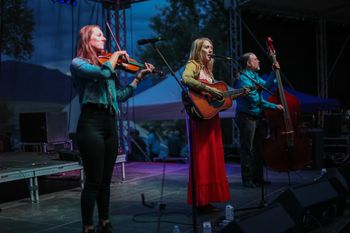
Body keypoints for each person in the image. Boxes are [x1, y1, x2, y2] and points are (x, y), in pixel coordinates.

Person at [70, 25, 155, 233]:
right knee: (93, 181)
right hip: (91, 123)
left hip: (110, 122)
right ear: (87, 40)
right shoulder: (78, 64)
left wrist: (137, 78)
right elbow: (104, 72)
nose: (105, 38)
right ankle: (88, 226)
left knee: (106, 181)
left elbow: (119, 96)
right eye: (99, 35)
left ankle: (105, 222)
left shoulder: (107, 64)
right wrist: (116, 56)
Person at [182, 37, 230, 214]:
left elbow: (213, 100)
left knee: (212, 157)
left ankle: (207, 199)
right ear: (198, 50)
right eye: (206, 47)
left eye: (212, 47)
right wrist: (210, 89)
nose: (210, 50)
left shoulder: (208, 71)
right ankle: (200, 201)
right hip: (201, 121)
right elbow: (185, 78)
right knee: (202, 158)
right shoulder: (193, 64)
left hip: (211, 119)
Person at [234, 52, 283, 188]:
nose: (259, 61)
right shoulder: (243, 79)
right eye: (255, 59)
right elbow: (256, 101)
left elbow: (267, 86)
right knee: (248, 149)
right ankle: (248, 180)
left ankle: (258, 178)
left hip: (256, 117)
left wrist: (274, 73)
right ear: (248, 63)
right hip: (246, 117)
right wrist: (274, 106)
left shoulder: (254, 76)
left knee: (259, 149)